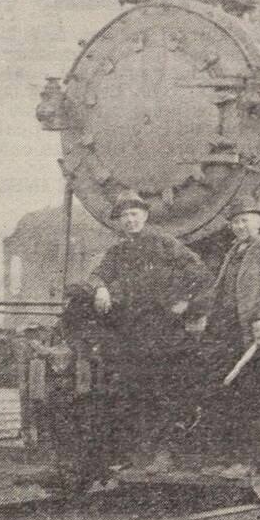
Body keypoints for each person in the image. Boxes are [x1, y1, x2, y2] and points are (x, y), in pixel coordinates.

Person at [87, 190, 212, 468]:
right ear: (119, 222)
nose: (130, 220)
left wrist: (185, 302)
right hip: (132, 333)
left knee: (163, 391)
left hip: (164, 331)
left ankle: (164, 453)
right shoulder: (118, 252)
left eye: (134, 214)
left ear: (144, 216)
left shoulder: (164, 243)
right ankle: (136, 454)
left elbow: (200, 273)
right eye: (124, 217)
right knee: (133, 392)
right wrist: (101, 288)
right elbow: (98, 274)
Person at [194, 195, 260, 476]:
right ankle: (221, 457)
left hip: (253, 335)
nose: (239, 226)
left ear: (258, 221)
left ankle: (245, 460)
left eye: (244, 220)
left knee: (248, 398)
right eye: (235, 222)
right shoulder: (233, 252)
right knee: (221, 395)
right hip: (225, 333)